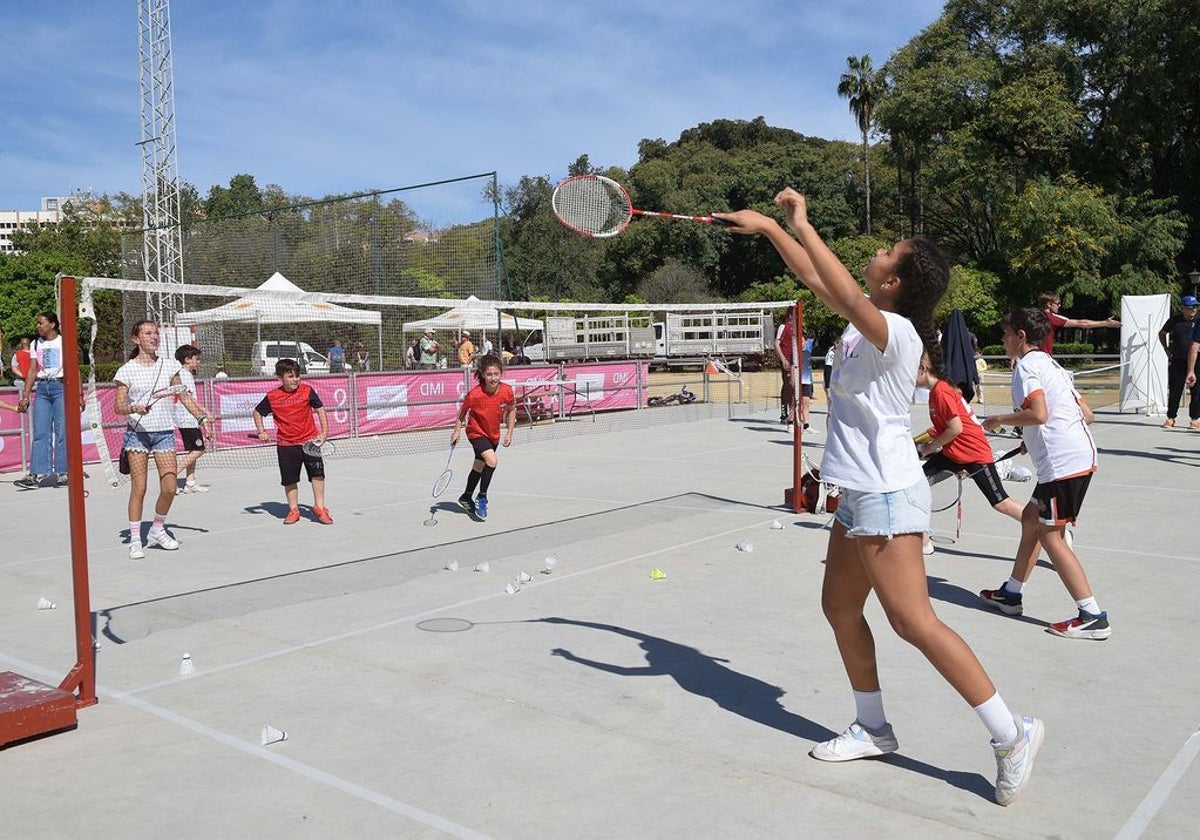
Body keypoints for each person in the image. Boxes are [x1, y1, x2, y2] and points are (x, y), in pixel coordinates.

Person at [716, 191, 1042, 807]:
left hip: (888, 492)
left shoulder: (895, 330)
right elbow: (817, 277)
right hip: (859, 492)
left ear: (893, 281)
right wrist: (771, 228)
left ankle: (1010, 732)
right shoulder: (869, 318)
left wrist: (798, 225)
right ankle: (873, 726)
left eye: (887, 251)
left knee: (912, 621)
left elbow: (834, 285)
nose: (876, 249)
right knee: (839, 608)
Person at [979, 307, 1108, 641]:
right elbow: (1087, 414)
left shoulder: (1026, 368)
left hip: (1062, 467)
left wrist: (998, 420)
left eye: (1006, 334)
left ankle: (1092, 615)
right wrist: (1032, 441)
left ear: (1020, 336)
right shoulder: (1053, 365)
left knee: (1052, 536)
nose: (1003, 339)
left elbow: (1038, 413)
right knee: (1030, 520)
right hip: (1077, 457)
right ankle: (1011, 593)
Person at [114, 321, 212, 558]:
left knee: (169, 488)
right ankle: (136, 539)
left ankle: (157, 529)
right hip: (137, 434)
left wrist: (201, 416)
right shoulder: (126, 370)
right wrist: (134, 408)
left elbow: (183, 396)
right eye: (148, 333)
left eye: (156, 333)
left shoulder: (169, 366)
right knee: (140, 488)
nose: (154, 337)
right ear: (136, 339)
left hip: (164, 434)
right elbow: (118, 407)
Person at [915, 351, 1023, 555]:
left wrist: (929, 448)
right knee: (917, 485)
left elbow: (955, 429)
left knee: (1001, 503)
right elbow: (942, 428)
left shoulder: (941, 391)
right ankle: (924, 542)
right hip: (953, 454)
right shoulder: (936, 393)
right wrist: (917, 442)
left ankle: (1049, 531)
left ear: (922, 369)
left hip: (974, 454)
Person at [253, 358, 332, 525]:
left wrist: (324, 432)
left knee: (318, 475)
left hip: (310, 443)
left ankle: (319, 507)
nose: (296, 379)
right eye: (290, 376)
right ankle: (294, 510)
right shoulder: (272, 396)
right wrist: (262, 431)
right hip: (286, 446)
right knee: (289, 479)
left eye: (297, 376)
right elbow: (257, 413)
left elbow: (320, 409)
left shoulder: (307, 390)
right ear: (279, 378)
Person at [452, 354, 515, 521]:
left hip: (493, 434)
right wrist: (457, 431)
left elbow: (512, 409)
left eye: (496, 374)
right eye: (489, 374)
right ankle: (482, 497)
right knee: (492, 461)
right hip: (476, 432)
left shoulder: (507, 391)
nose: (493, 378)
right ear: (482, 374)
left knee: (479, 466)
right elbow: (462, 413)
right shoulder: (475, 394)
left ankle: (466, 497)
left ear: (501, 373)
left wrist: (509, 432)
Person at [15, 314, 68, 488]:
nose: (38, 326)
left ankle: (64, 472)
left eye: (41, 323)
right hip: (43, 388)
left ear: (52, 324)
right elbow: (32, 370)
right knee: (40, 432)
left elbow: (72, 368)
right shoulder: (35, 343)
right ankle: (37, 473)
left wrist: (79, 395)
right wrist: (26, 395)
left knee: (62, 432)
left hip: (61, 387)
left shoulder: (63, 341)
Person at [174, 344, 214, 494]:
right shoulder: (183, 375)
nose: (199, 362)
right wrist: (205, 415)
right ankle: (171, 477)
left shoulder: (186, 375)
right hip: (187, 418)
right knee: (199, 449)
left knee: (193, 449)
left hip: (190, 418)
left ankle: (190, 482)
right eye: (196, 359)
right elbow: (189, 399)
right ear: (187, 360)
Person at [1158, 295, 1199, 429]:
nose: (1193, 310)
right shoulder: (1175, 321)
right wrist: (1166, 349)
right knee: (1175, 390)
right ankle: (1171, 417)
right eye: (1190, 307)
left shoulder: (1199, 320)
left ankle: (1194, 419)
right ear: (1183, 308)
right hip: (1178, 359)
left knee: (1197, 391)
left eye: (1195, 307)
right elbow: (1162, 333)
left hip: (1197, 360)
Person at [1037, 292, 1120, 355]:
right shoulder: (1052, 318)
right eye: (1058, 303)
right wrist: (1105, 323)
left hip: (1027, 357)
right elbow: (1081, 323)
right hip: (1044, 357)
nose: (1059, 305)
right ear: (1049, 304)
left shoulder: (1031, 316)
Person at [775, 318, 795, 425]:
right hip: (787, 359)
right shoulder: (784, 327)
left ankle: (794, 413)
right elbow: (777, 343)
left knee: (795, 386)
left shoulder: (799, 327)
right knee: (788, 384)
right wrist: (783, 359)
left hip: (796, 360)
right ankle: (784, 413)